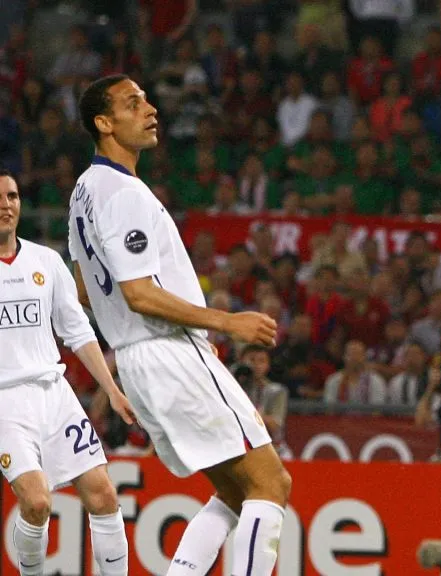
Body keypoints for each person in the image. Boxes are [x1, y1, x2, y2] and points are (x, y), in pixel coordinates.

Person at [69, 75, 291, 576]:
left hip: (138, 360)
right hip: (167, 351)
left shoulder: (83, 191)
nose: (150, 110)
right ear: (104, 123)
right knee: (270, 483)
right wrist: (226, 322)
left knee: (234, 491)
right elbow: (139, 293)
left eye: (147, 101)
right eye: (133, 104)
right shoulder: (123, 193)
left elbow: (83, 289)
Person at [0, 169, 134, 576]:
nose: (6, 205)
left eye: (12, 196)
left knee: (104, 495)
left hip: (55, 395)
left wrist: (112, 390)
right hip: (6, 403)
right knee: (37, 503)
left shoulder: (46, 261)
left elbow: (77, 331)